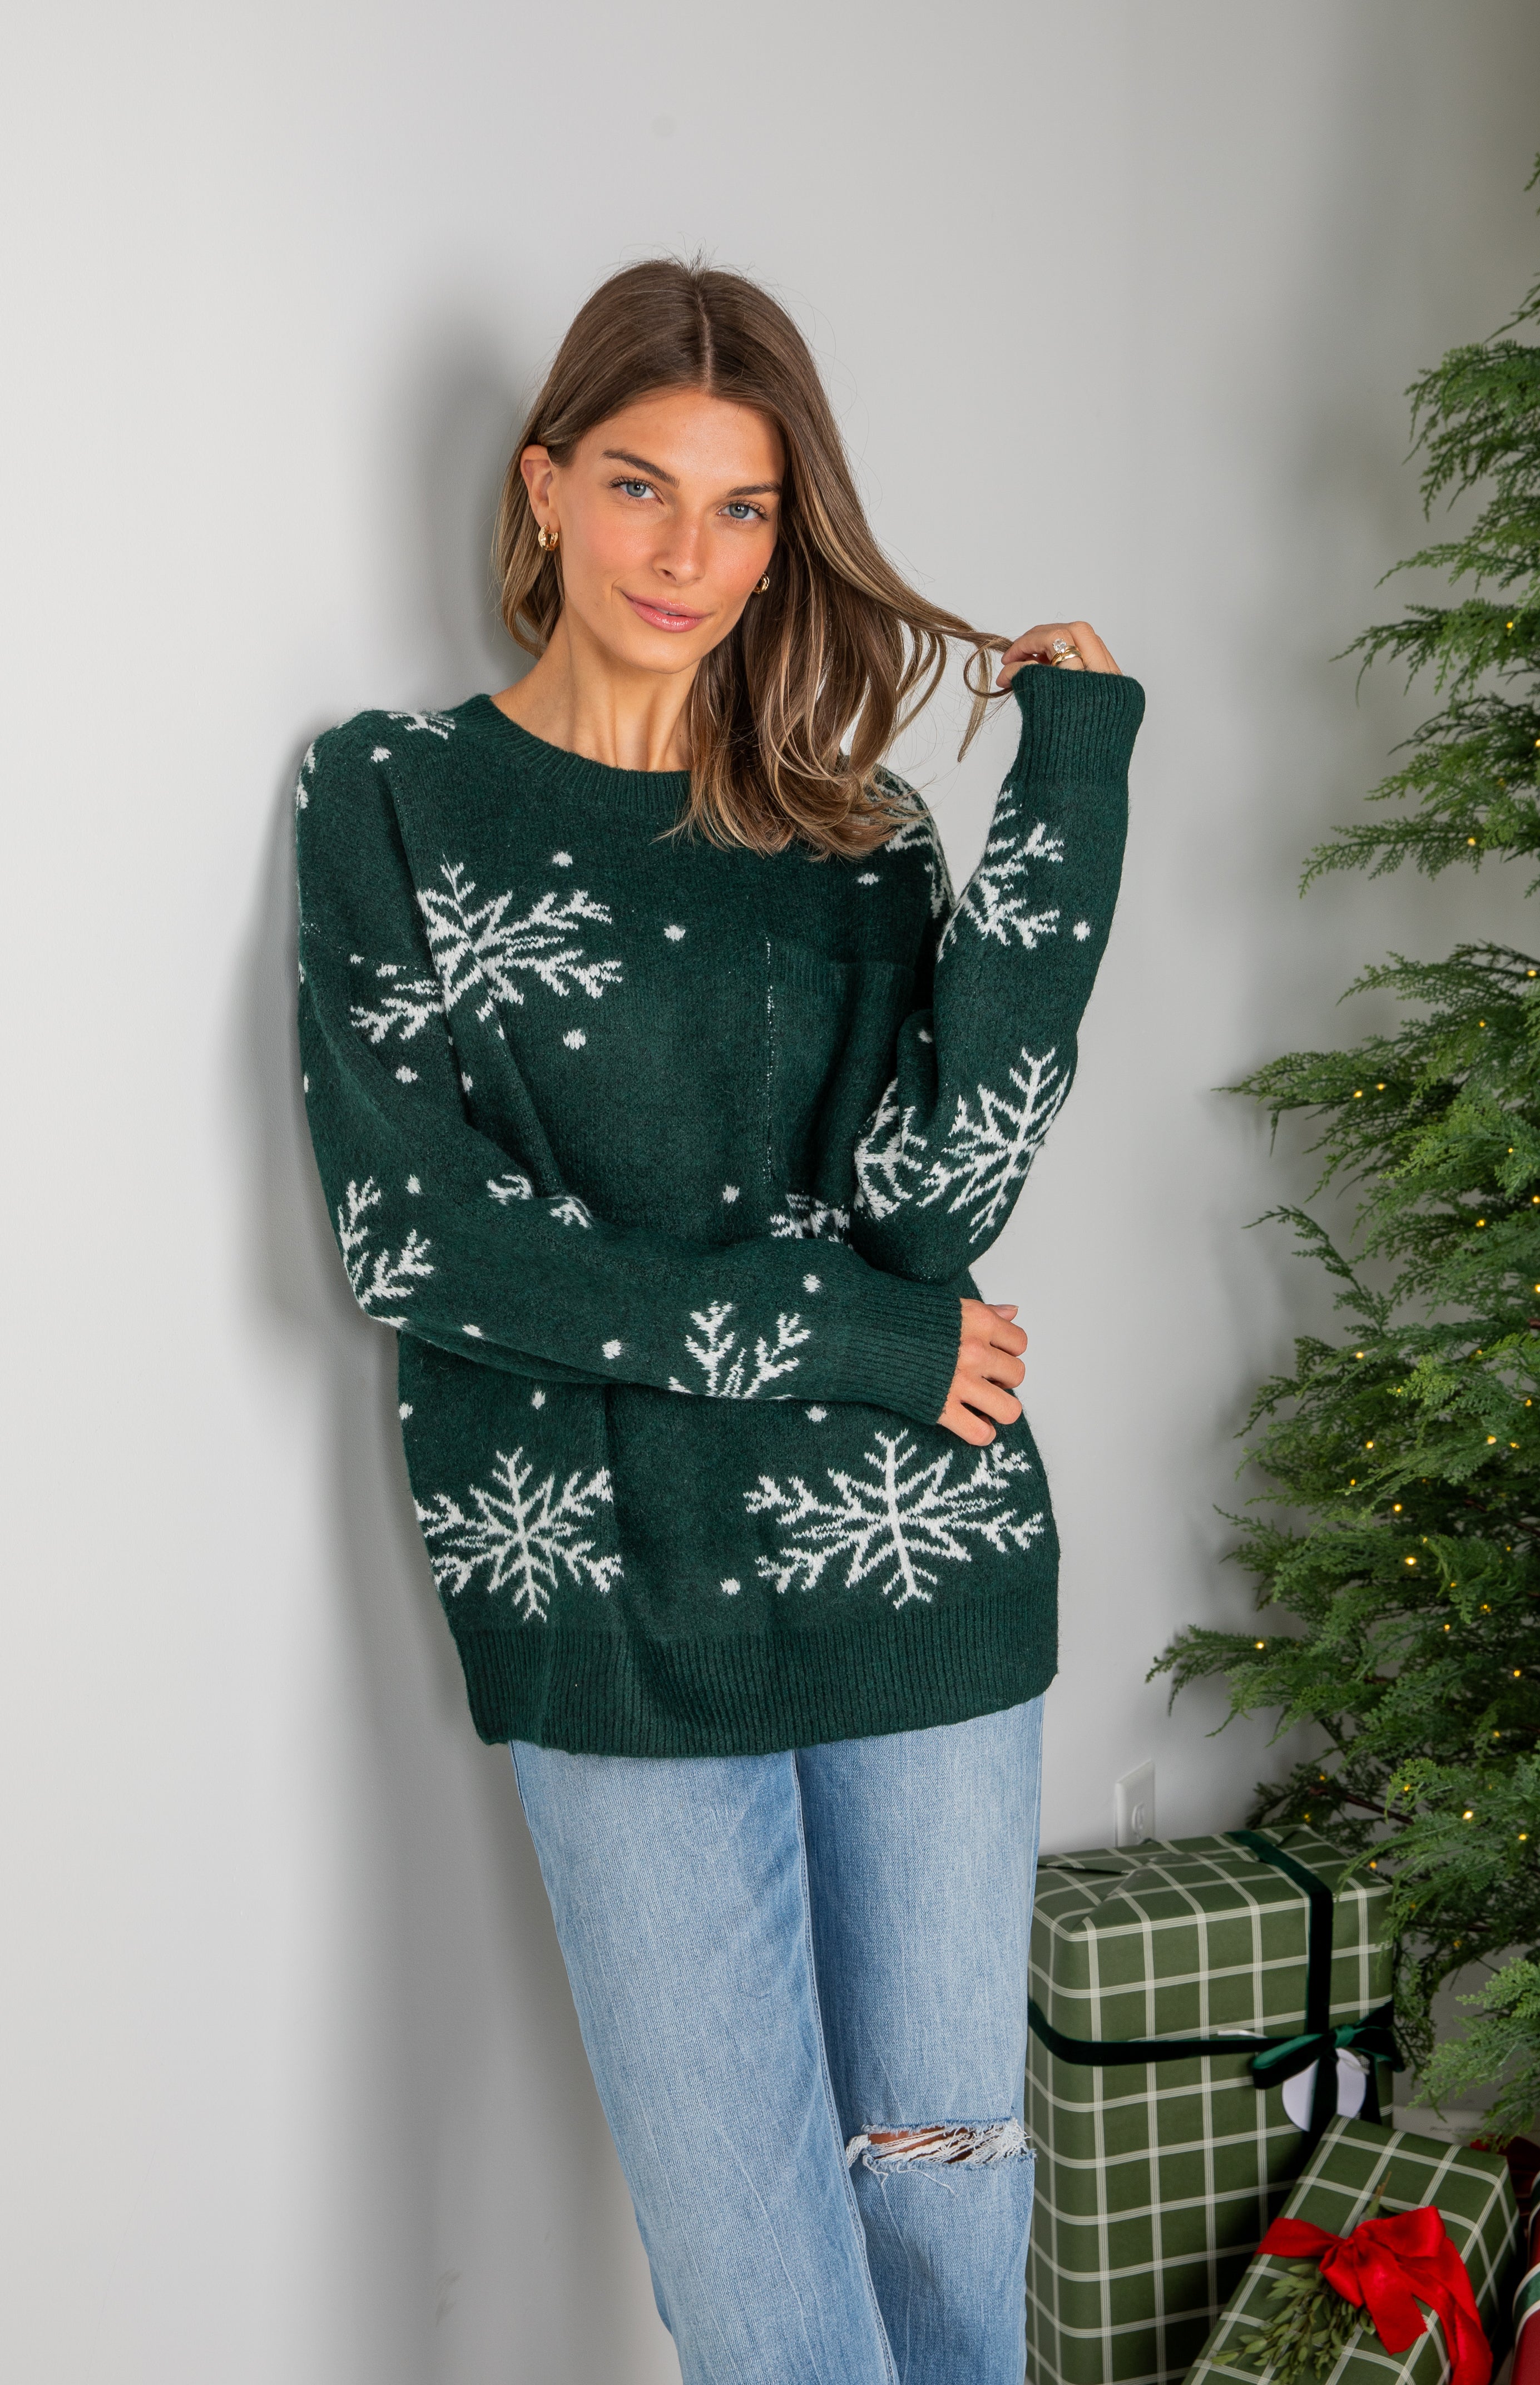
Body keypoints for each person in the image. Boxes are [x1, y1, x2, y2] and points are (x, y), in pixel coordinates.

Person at [295, 256, 1142, 2385]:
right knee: (755, 2274)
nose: (687, 553)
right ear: (544, 487)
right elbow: (421, 1242)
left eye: (743, 507)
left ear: (785, 536)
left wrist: (1074, 791)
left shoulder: (856, 833)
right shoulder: (391, 791)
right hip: (602, 1590)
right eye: (640, 487)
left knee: (941, 2197)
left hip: (911, 1570)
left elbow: (939, 1201)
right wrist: (851, 1344)